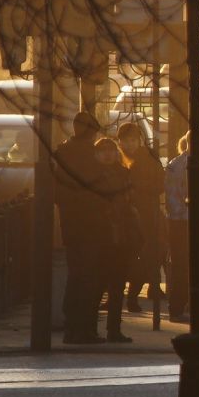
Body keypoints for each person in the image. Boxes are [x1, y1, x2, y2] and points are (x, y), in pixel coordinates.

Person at [52, 111, 109, 344]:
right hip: (91, 226)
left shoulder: (62, 152)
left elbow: (57, 191)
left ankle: (73, 328)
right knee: (90, 279)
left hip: (71, 225)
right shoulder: (89, 156)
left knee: (76, 276)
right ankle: (85, 329)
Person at [89, 136, 139, 345]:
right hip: (101, 236)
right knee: (98, 286)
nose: (108, 154)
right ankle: (91, 328)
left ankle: (114, 329)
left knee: (118, 286)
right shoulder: (92, 175)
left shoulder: (124, 173)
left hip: (122, 237)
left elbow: (130, 202)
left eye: (111, 150)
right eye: (103, 151)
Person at [118, 122, 165, 314]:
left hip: (146, 214)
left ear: (139, 141)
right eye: (125, 141)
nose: (129, 145)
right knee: (121, 258)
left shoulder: (148, 159)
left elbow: (160, 185)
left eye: (132, 141)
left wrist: (138, 189)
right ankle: (122, 295)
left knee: (146, 255)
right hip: (122, 216)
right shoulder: (115, 158)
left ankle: (135, 295)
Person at [162, 130, 197, 322]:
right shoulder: (177, 166)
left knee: (184, 265)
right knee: (182, 265)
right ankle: (178, 305)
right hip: (182, 222)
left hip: (180, 220)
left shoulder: (176, 164)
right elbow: (172, 196)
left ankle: (182, 305)